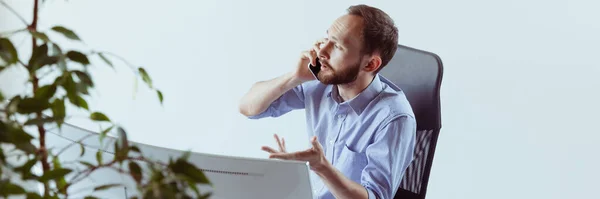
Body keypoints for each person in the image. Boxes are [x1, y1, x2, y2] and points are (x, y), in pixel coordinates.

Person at [238, 4, 416, 199]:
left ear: (370, 64)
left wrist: (321, 167)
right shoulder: (322, 82)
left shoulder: (394, 118)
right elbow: (249, 108)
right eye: (326, 39)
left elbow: (375, 196)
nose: (322, 51)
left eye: (337, 46)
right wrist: (294, 77)